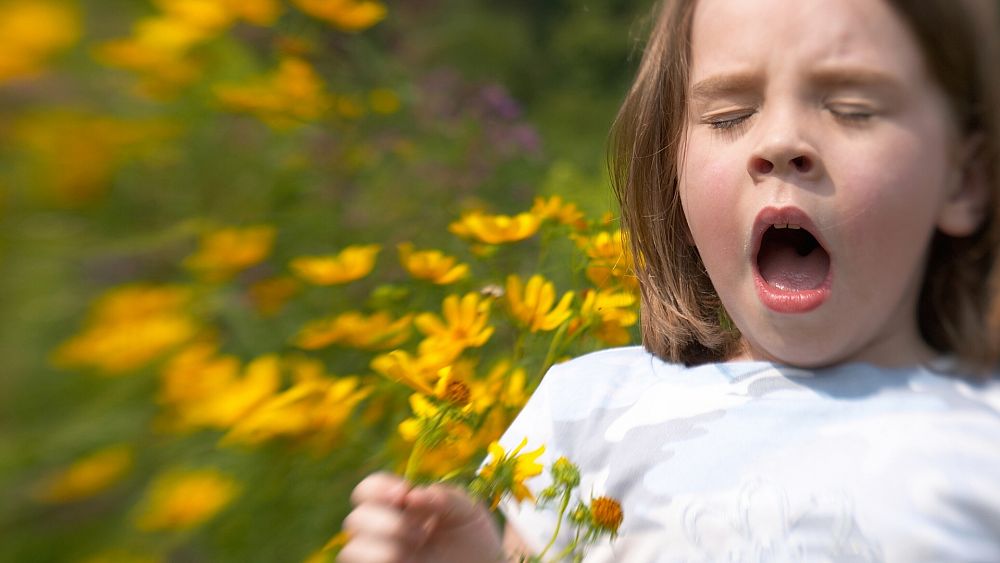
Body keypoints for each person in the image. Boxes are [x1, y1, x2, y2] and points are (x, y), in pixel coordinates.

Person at [338, 0, 1000, 560]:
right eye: (727, 116)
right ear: (672, 168)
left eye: (853, 107)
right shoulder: (590, 410)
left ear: (964, 177)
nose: (779, 142)